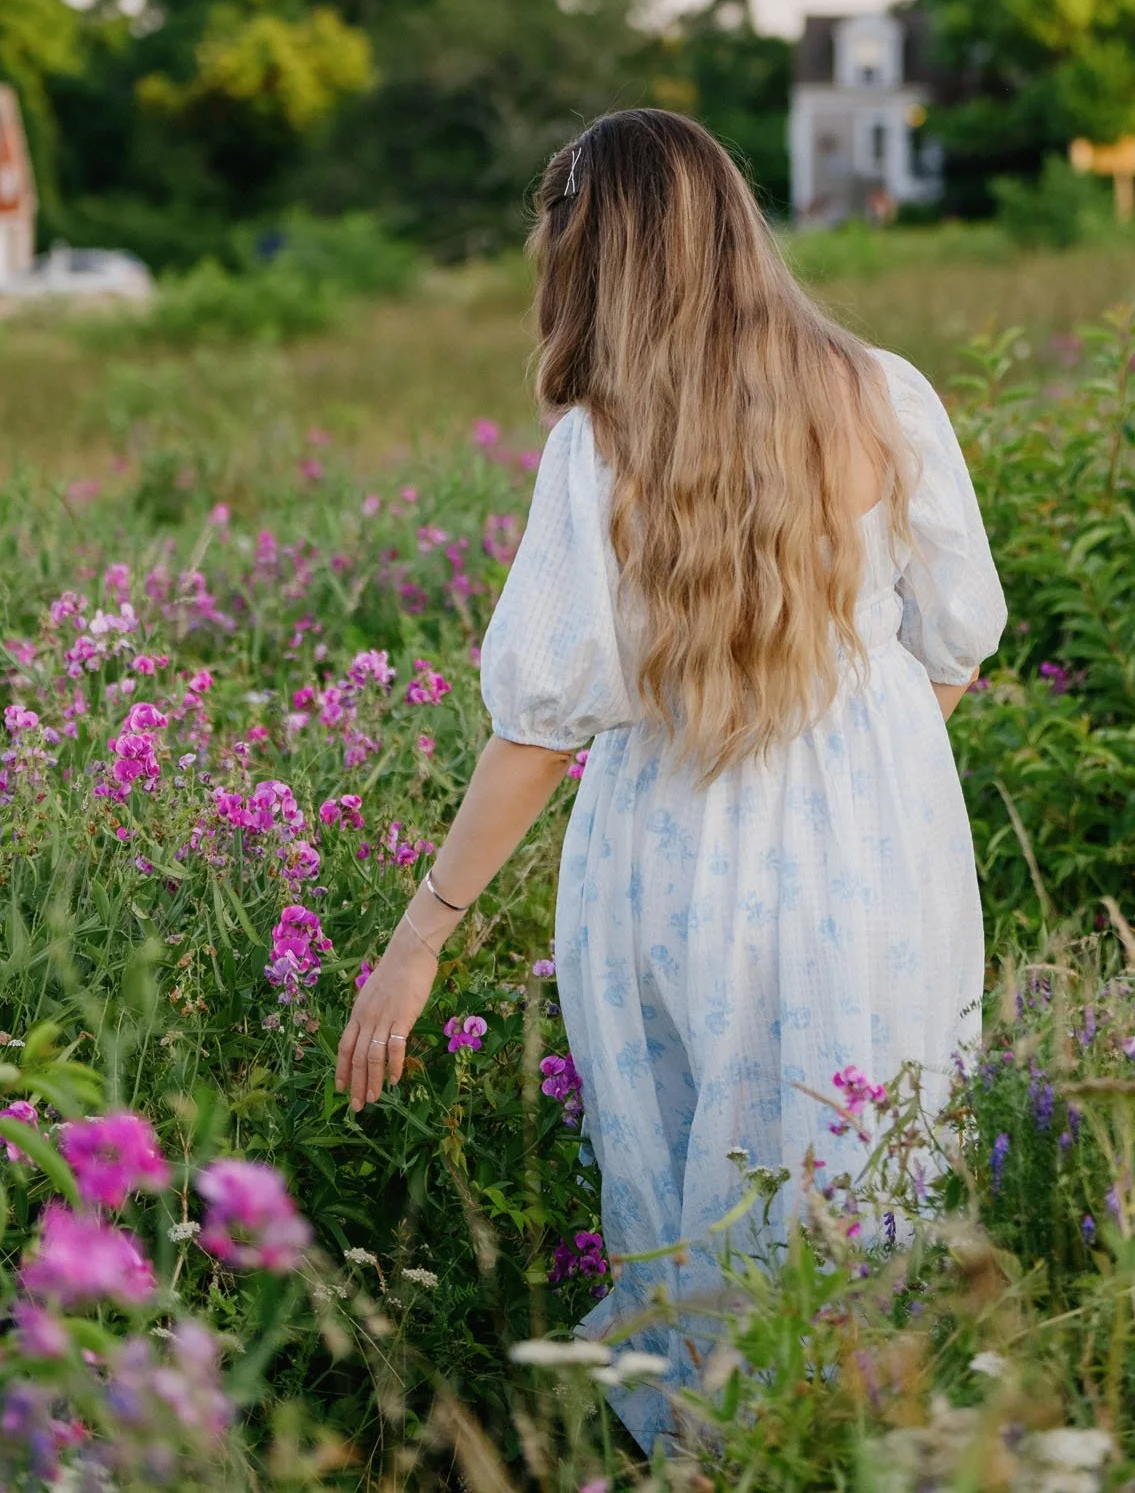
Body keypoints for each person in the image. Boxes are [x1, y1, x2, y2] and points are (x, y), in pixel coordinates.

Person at [335, 108, 1005, 1450]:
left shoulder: (599, 445)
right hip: (881, 848)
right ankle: (843, 1448)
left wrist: (417, 942)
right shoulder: (885, 390)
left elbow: (541, 724)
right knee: (858, 1156)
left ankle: (718, 1453)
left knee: (704, 1162)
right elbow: (958, 635)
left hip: (681, 847)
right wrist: (864, 765)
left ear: (602, 254)